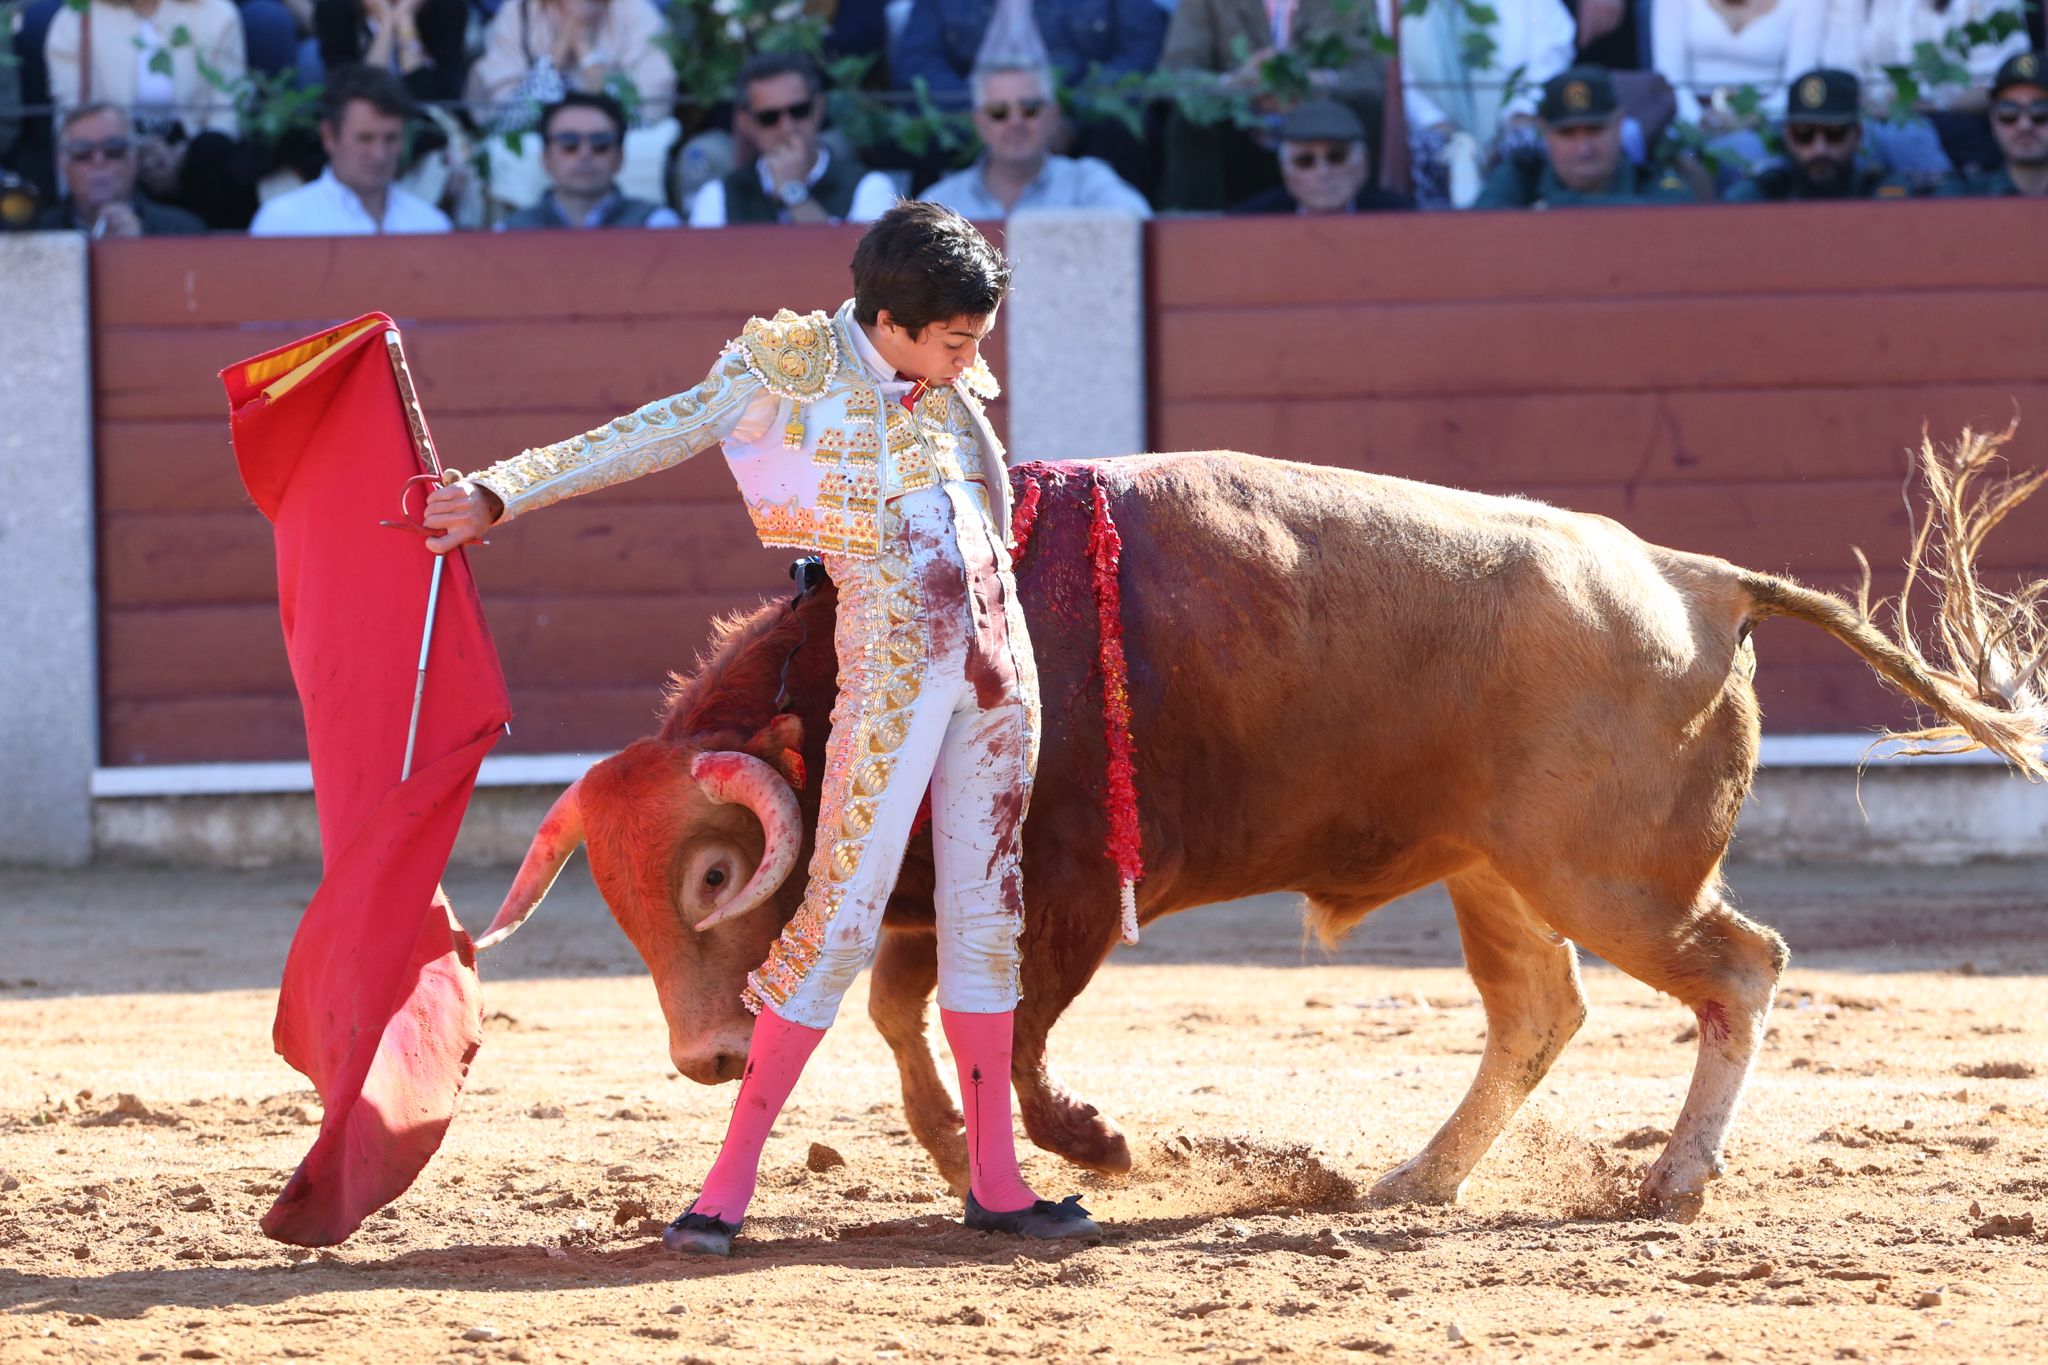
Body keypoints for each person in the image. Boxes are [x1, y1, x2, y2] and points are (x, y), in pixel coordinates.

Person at [422, 201, 1098, 1256]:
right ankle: (723, 1194)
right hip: (891, 674)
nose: (972, 359)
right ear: (887, 321)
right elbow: (655, 429)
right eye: (956, 340)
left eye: (976, 338)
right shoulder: (787, 368)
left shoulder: (950, 370)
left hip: (996, 675)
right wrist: (499, 491)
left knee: (985, 917)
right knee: (833, 920)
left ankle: (997, 1183)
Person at [1157, 0, 1387, 210]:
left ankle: (1370, 224)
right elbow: (1173, 74)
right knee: (1189, 122)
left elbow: (1372, 74)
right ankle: (1189, 239)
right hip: (1241, 132)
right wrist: (1236, 84)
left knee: (1367, 108)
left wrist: (1316, 82)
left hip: (1321, 129)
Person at [1386, 0, 1579, 208]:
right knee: (1429, 148)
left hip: (1514, 120)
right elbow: (1391, 67)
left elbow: (1553, 46)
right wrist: (1432, 120)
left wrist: (1521, 111)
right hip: (1431, 125)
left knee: (1525, 142)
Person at [689, 53, 897, 227]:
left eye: (799, 111)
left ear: (818, 108)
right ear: (746, 123)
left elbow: (852, 268)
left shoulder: (869, 187)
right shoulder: (718, 196)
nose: (787, 127)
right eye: (769, 118)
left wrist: (794, 192)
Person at [920, 63, 1152, 217]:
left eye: (1030, 108)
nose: (1015, 121)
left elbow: (1139, 225)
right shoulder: (940, 202)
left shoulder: (1087, 181)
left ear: (1053, 117)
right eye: (999, 112)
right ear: (980, 123)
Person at [250, 65, 453, 234]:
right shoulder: (283, 223)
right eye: (365, 139)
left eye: (391, 138)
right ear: (329, 135)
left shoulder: (430, 224)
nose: (379, 154)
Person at [1651, 0, 1827, 179]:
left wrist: (1753, 117)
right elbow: (1670, 80)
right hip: (1690, 119)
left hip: (1768, 121)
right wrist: (1701, 122)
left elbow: (1799, 84)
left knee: (1751, 153)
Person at [1476, 65, 1694, 207]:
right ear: (1544, 131)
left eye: (1595, 130)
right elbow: (1476, 231)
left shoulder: (1652, 180)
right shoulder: (1522, 176)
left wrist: (1548, 209)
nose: (1584, 149)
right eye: (1567, 133)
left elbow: (1680, 216)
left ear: (1619, 124)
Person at [892, 0, 1167, 105]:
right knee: (909, 142)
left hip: (1078, 112)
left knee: (1120, 134)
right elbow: (917, 62)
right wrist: (983, 113)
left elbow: (1138, 54)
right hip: (965, 115)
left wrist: (1068, 114)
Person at [468, 0, 677, 129]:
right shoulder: (518, 12)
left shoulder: (636, 11)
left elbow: (644, 122)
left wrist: (586, 54)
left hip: (618, 156)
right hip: (532, 157)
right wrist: (559, 50)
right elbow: (507, 125)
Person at [1723, 67, 1919, 198]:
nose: (1820, 149)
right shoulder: (1765, 193)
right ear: (1788, 137)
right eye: (1804, 135)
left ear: (1857, 135)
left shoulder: (1879, 191)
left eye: (1835, 134)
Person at [499, 90, 680, 227]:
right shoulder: (510, 231)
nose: (585, 153)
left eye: (600, 143)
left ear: (620, 157)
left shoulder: (657, 225)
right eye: (569, 143)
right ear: (545, 158)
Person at [31, 101, 206, 234]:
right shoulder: (38, 234)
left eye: (114, 149)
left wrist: (142, 248)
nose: (98, 161)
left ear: (135, 158)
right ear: (62, 163)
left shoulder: (183, 230)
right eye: (82, 152)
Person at [1232, 99, 1414, 213]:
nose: (1323, 172)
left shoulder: (1398, 217)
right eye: (1305, 161)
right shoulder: (1254, 220)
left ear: (1363, 163)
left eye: (1336, 157)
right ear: (1285, 170)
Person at [314, 0, 472, 105]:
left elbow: (440, 106)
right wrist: (388, 25)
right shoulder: (334, 9)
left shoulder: (447, 8)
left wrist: (405, 25)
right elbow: (355, 102)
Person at [1958, 50, 2048, 194]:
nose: (2024, 125)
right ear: (1993, 120)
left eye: (2041, 111)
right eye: (2009, 112)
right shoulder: (1961, 199)